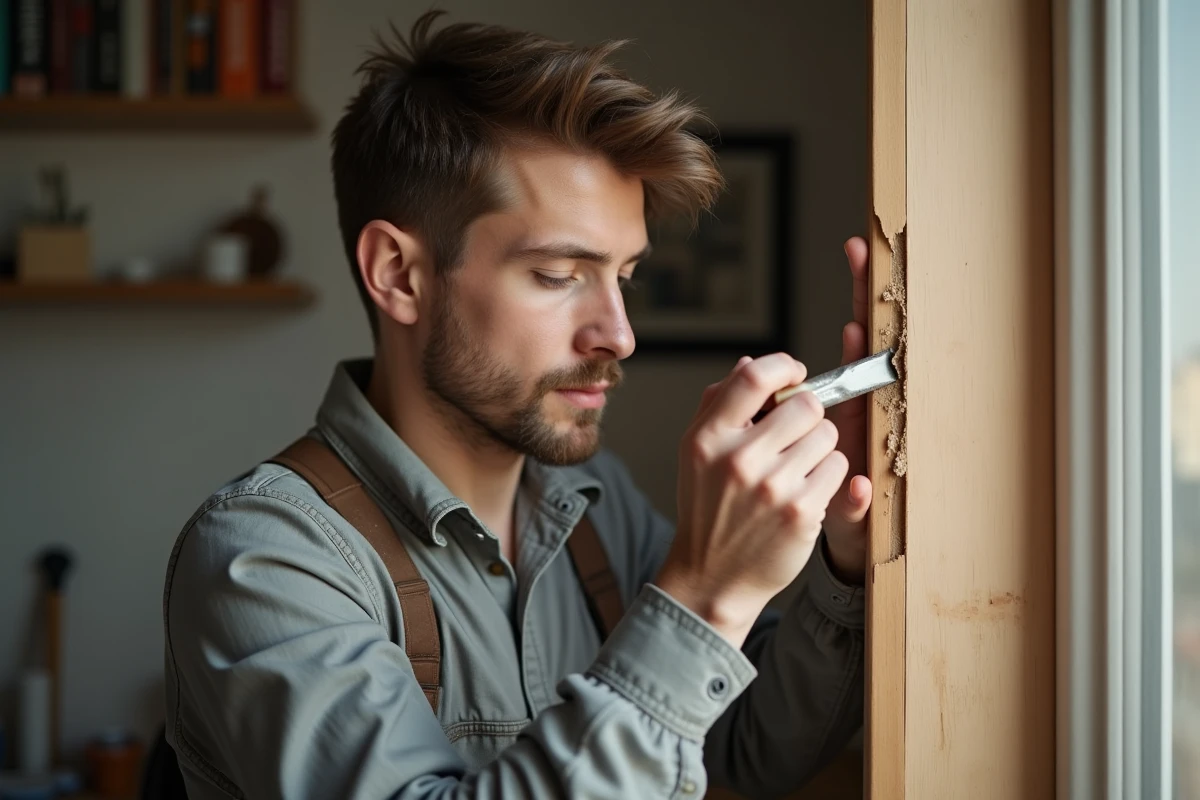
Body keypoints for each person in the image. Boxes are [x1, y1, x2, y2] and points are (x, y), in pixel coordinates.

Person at [162, 11, 874, 799]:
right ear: (399, 275)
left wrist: (844, 549)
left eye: (624, 275)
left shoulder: (599, 512)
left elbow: (745, 752)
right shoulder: (264, 556)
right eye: (561, 274)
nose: (620, 334)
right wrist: (704, 596)